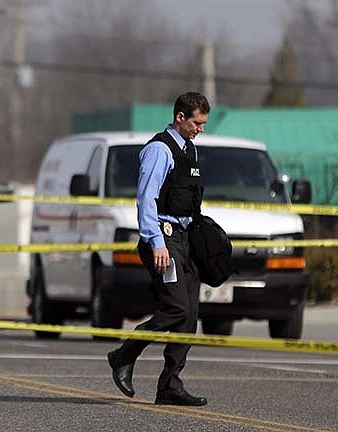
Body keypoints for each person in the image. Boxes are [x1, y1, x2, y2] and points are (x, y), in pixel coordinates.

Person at [107, 91, 210, 406]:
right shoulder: (158, 150)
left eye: (203, 124)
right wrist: (157, 242)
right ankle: (124, 355)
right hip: (163, 240)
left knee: (190, 314)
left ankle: (170, 385)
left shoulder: (187, 150)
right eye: (196, 122)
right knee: (176, 307)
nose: (200, 129)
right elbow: (146, 198)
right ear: (180, 117)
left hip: (184, 239)